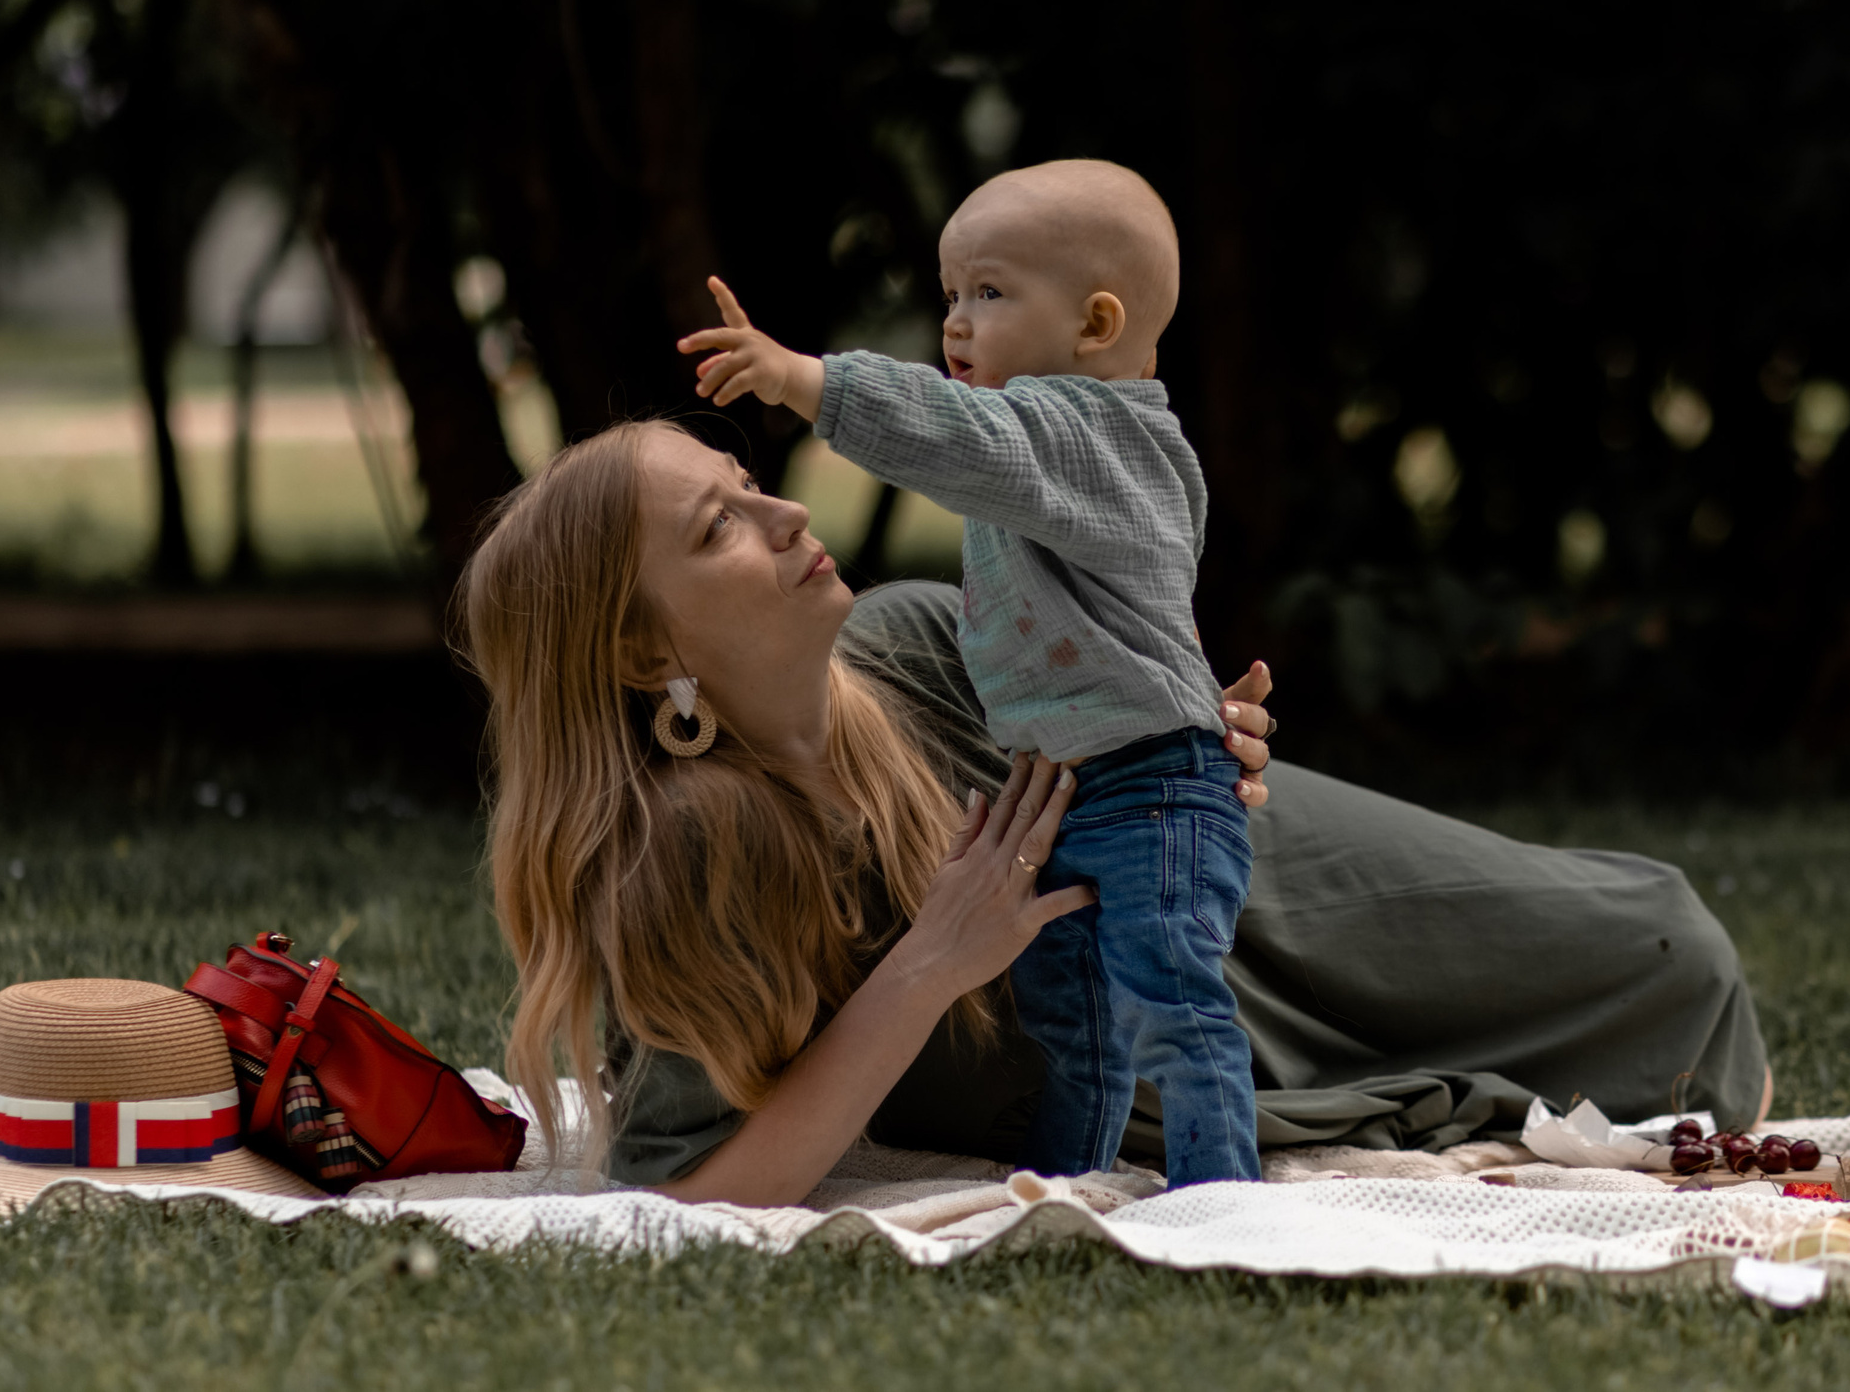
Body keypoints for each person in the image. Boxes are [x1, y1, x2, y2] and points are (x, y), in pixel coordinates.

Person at [458, 421, 1770, 1208]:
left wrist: (1198, 730)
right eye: (720, 525)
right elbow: (692, 1192)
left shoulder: (911, 640)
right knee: (1653, 983)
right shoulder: (680, 864)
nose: (785, 508)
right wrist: (926, 970)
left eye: (749, 478)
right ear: (642, 654)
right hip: (1165, 1036)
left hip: (1239, 883)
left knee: (1667, 945)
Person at [672, 159, 1257, 1186]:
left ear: (1094, 325)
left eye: (987, 294)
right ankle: (1066, 1181)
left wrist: (800, 377)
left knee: (1171, 996)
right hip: (1073, 789)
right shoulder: (1041, 444)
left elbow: (954, 435)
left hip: (1157, 785)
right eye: (949, 296)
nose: (954, 324)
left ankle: (1222, 1201)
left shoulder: (1087, 434)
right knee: (1070, 1023)